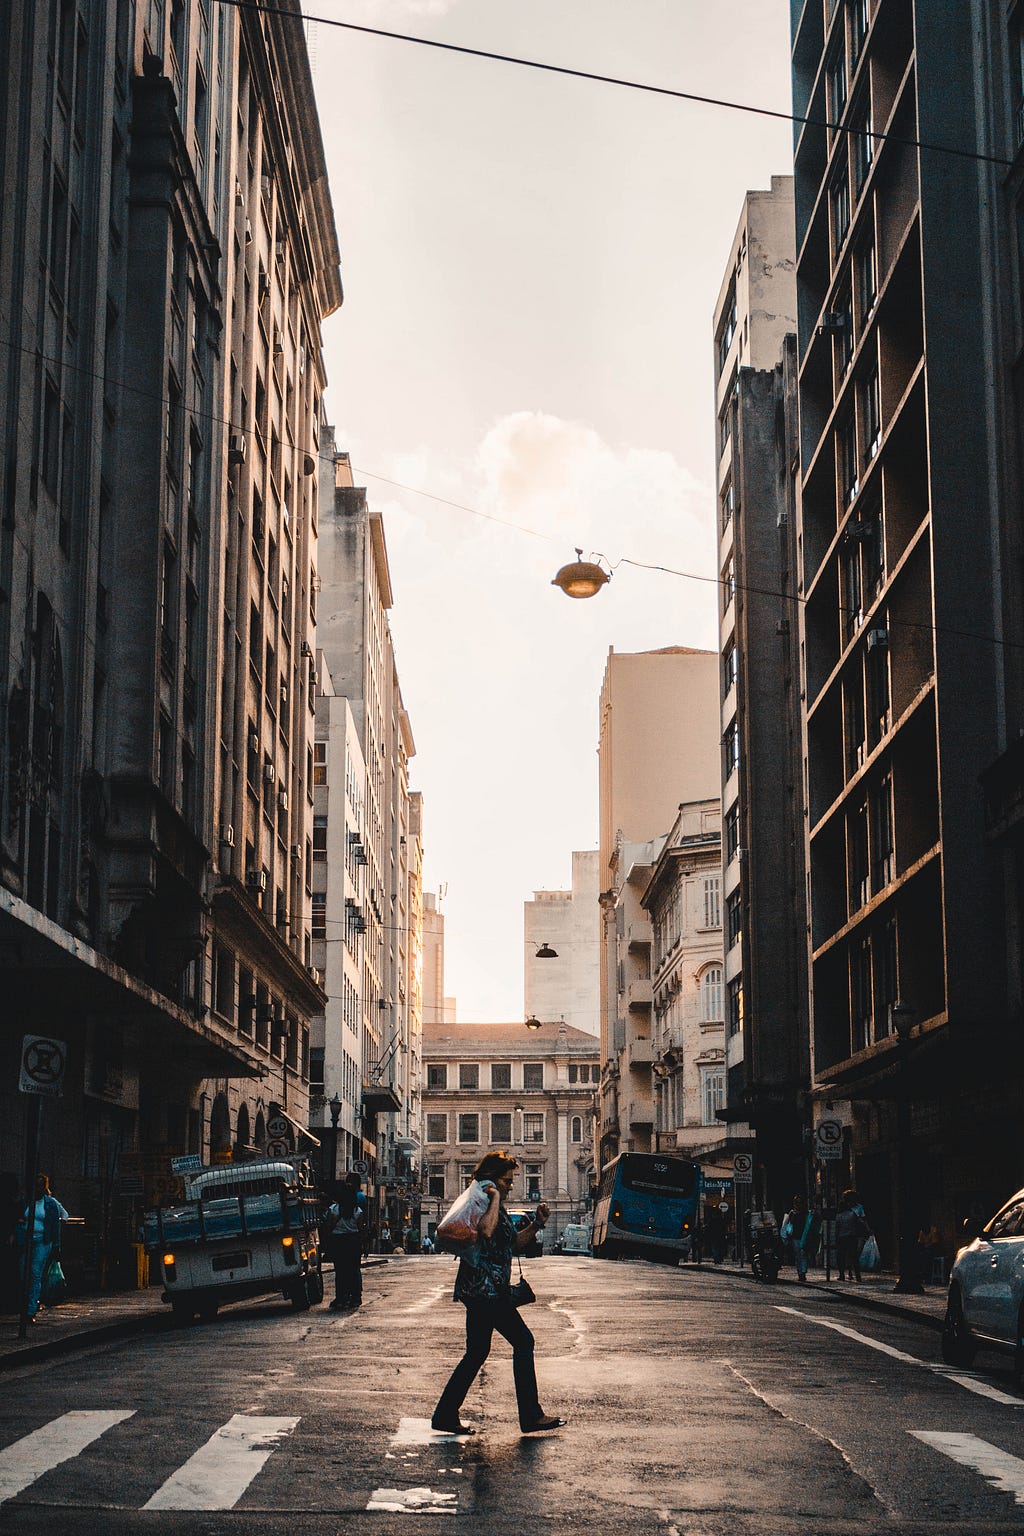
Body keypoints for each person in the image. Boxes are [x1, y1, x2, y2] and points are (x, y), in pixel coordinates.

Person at [431, 1150, 566, 1437]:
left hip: (484, 1291)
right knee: (523, 1341)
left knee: (477, 1351)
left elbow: (513, 1244)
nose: (510, 1186)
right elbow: (487, 1232)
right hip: (485, 1291)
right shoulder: (484, 1202)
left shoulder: (496, 1206)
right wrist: (493, 1198)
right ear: (491, 1181)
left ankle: (445, 1414)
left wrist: (538, 1224)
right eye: (506, 1181)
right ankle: (531, 1415)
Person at [17, 1174, 68, 1323]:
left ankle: (30, 1309)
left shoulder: (50, 1203)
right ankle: (29, 1302)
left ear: (44, 1187)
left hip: (42, 1242)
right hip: (26, 1241)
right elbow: (19, 1219)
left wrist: (56, 1244)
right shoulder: (25, 1202)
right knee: (22, 1272)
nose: (37, 1188)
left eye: (40, 1185)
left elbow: (63, 1218)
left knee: (35, 1272)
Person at [323, 1172, 365, 1311]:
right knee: (354, 1270)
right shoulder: (357, 1211)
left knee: (340, 1271)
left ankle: (341, 1297)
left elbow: (328, 1227)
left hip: (338, 1242)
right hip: (353, 1241)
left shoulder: (333, 1210)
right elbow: (360, 1229)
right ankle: (356, 1297)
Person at [835, 1193, 870, 1282]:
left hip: (841, 1238)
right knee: (854, 1257)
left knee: (841, 1257)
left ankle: (842, 1275)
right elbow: (860, 1222)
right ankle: (858, 1276)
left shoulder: (838, 1216)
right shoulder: (852, 1214)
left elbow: (837, 1228)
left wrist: (836, 1238)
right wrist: (867, 1229)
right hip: (852, 1237)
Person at [781, 1193, 812, 1283]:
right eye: (797, 1202)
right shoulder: (792, 1213)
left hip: (803, 1236)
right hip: (795, 1237)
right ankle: (800, 1272)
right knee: (798, 1255)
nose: (798, 1204)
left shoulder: (806, 1213)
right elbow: (789, 1224)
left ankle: (803, 1272)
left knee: (803, 1255)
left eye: (800, 1202)